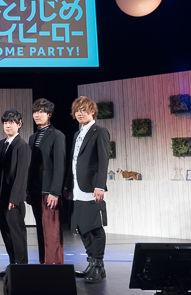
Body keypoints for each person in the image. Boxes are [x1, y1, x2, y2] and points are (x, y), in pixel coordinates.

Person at [66, 96, 110, 283]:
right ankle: (92, 263)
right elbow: (73, 161)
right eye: (77, 111)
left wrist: (100, 186)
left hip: (91, 187)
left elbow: (103, 160)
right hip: (77, 187)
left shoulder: (100, 132)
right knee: (82, 227)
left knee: (94, 227)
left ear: (92, 111)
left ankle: (98, 266)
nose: (80, 113)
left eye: (83, 110)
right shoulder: (77, 134)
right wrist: (68, 185)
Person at [27, 98, 66, 264]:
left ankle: (54, 266)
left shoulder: (57, 135)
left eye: (41, 112)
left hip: (50, 192)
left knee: (52, 232)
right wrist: (28, 190)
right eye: (35, 112)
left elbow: (60, 165)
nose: (37, 115)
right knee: (41, 230)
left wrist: (55, 192)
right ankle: (43, 263)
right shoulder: (32, 137)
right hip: (35, 191)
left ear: (49, 114)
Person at [0, 109, 30, 277]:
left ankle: (21, 267)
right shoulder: (1, 144)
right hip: (0, 197)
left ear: (19, 124)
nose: (8, 125)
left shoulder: (22, 146)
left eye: (11, 122)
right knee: (6, 232)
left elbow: (22, 175)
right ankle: (12, 264)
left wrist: (15, 199)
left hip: (13, 199)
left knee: (17, 234)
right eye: (5, 122)